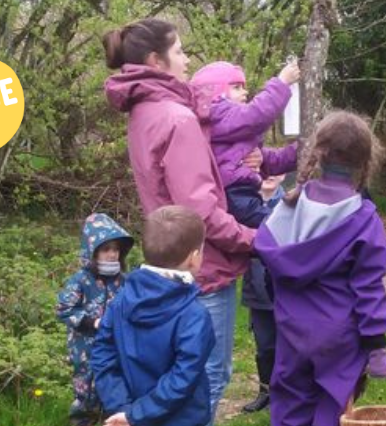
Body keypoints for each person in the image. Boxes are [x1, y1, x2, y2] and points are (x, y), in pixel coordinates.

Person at [101, 19, 256, 423]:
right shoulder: (176, 118)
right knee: (207, 378)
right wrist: (254, 239)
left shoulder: (143, 112)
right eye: (180, 51)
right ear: (156, 60)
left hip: (163, 260)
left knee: (168, 377)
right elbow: (200, 212)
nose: (187, 60)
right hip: (201, 265)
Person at [255, 111, 386, 426]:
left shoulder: (289, 205)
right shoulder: (364, 219)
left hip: (291, 329)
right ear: (366, 162)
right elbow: (369, 287)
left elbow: (267, 253)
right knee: (332, 407)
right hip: (339, 337)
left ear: (318, 153)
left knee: (290, 404)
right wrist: (376, 346)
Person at [91, 206, 215, 426]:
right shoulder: (195, 315)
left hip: (128, 413)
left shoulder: (120, 300)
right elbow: (184, 377)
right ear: (194, 258)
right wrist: (136, 414)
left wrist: (123, 409)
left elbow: (102, 354)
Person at [190, 61, 299, 228]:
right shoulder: (216, 112)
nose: (245, 92)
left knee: (275, 224)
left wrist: (302, 150)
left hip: (242, 193)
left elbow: (269, 159)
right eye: (236, 87)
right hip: (233, 193)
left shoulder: (232, 132)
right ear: (215, 92)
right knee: (275, 226)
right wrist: (281, 83)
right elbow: (255, 116)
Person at [56, 213, 135, 426]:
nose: (112, 254)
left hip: (116, 346)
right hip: (85, 348)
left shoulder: (124, 281)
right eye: (106, 249)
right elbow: (64, 309)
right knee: (87, 393)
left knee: (115, 388)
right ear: (93, 251)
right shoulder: (81, 280)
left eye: (116, 249)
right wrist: (92, 323)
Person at [240, 175, 285, 413]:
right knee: (265, 345)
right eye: (264, 171)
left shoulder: (292, 203)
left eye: (275, 171)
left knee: (288, 344)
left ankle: (287, 393)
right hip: (256, 290)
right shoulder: (243, 202)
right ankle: (265, 392)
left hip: (284, 288)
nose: (270, 176)